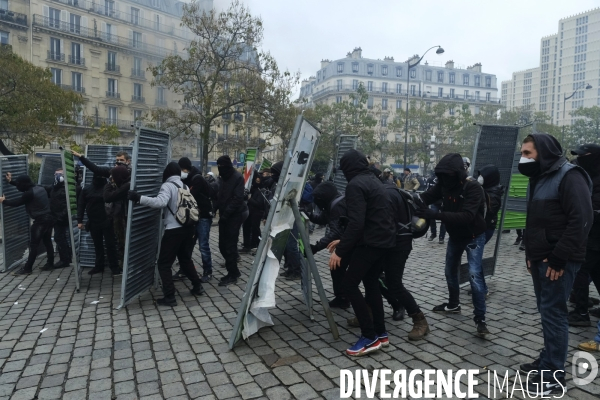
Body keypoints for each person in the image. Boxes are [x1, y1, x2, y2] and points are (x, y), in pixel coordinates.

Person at [515, 134, 592, 397]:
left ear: (544, 152)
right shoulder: (539, 177)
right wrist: (530, 252)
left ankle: (553, 375)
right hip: (540, 258)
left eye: (527, 153)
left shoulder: (570, 176)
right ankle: (547, 359)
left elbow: (581, 219)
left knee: (554, 314)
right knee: (547, 312)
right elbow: (536, 219)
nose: (522, 158)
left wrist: (559, 257)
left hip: (558, 261)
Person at [329, 149, 396, 356]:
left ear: (348, 168)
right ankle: (381, 333)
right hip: (383, 241)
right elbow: (369, 217)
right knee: (371, 284)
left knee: (349, 284)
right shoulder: (374, 180)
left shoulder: (355, 185)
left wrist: (340, 250)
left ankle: (369, 336)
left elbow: (357, 223)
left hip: (370, 242)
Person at [415, 153, 489, 336]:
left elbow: (467, 216)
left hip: (473, 236)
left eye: (448, 175)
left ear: (457, 174)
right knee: (450, 271)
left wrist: (435, 215)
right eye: (441, 176)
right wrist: (415, 202)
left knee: (474, 275)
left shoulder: (473, 187)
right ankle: (453, 304)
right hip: (455, 235)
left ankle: (480, 319)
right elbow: (425, 197)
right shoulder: (443, 184)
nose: (445, 179)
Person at [127, 162, 204, 306]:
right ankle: (197, 286)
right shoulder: (185, 186)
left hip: (174, 230)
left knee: (163, 263)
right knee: (185, 259)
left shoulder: (167, 186)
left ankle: (170, 297)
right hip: (188, 227)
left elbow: (160, 202)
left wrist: (138, 198)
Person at [383, 180, 430, 340]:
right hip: (389, 243)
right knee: (372, 277)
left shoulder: (387, 194)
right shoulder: (386, 191)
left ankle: (419, 320)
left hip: (398, 245)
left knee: (394, 283)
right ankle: (368, 312)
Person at [568, 144, 600, 328]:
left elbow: (592, 208)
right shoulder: (587, 174)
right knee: (596, 272)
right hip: (591, 234)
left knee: (580, 271)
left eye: (583, 156)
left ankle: (581, 312)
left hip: (592, 235)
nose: (579, 159)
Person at [0, 173, 55, 275]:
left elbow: (17, 203)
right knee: (47, 241)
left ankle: (27, 268)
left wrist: (4, 201)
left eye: (19, 183)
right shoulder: (39, 187)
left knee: (34, 245)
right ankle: (50, 263)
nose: (18, 186)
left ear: (23, 184)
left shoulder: (29, 194)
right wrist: (11, 181)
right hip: (49, 218)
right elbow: (21, 185)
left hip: (41, 221)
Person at [308, 182, 349, 308]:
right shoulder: (333, 202)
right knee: (337, 269)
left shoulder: (336, 205)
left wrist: (316, 247)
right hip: (348, 241)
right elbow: (323, 219)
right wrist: (309, 215)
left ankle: (396, 303)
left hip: (351, 242)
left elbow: (335, 232)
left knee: (365, 276)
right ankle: (342, 297)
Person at [177, 157, 215, 283]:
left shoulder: (196, 178)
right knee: (188, 245)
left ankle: (207, 271)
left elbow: (190, 197)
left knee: (203, 245)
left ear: (185, 168)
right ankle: (184, 269)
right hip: (193, 217)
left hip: (203, 216)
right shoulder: (187, 179)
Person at [77, 173, 122, 276]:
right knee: (98, 245)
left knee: (110, 245)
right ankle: (99, 266)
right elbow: (81, 205)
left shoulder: (109, 189)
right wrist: (79, 220)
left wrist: (113, 217)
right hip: (94, 222)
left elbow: (117, 204)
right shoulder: (87, 189)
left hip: (107, 221)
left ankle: (114, 267)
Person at [215, 155, 249, 286]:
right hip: (224, 215)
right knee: (222, 245)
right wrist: (216, 208)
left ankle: (233, 273)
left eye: (221, 166)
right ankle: (233, 271)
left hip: (235, 215)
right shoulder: (223, 178)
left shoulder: (237, 177)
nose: (220, 169)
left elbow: (237, 198)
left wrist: (226, 214)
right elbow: (220, 196)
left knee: (230, 246)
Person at [42, 168, 71, 270]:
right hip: (57, 217)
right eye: (56, 174)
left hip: (61, 218)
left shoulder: (65, 189)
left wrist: (60, 217)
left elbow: (67, 206)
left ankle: (65, 260)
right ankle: (67, 258)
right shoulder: (54, 188)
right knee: (61, 238)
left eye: (60, 174)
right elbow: (40, 187)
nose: (58, 176)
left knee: (60, 237)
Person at [103, 166, 130, 263]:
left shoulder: (126, 186)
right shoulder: (124, 184)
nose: (112, 179)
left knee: (124, 244)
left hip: (125, 221)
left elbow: (108, 197)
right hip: (121, 219)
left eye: (113, 177)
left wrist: (109, 183)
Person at [476, 164, 504, 244]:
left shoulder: (493, 194)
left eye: (482, 176)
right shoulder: (485, 189)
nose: (480, 178)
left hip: (486, 227)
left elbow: (488, 212)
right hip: (482, 226)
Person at [240, 171, 267, 254]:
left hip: (256, 213)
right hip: (249, 211)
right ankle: (247, 245)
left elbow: (259, 204)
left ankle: (259, 246)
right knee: (246, 228)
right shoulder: (252, 188)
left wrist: (249, 198)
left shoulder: (261, 190)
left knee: (255, 230)